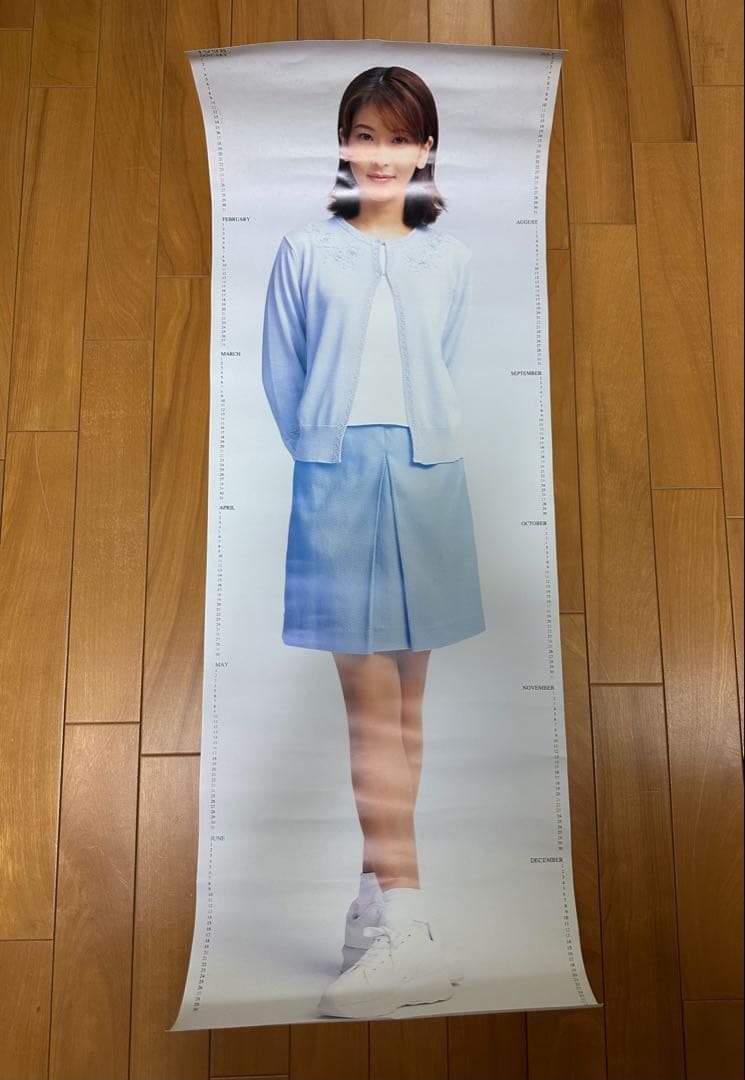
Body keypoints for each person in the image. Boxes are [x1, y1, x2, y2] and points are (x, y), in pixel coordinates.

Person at [261, 65, 485, 1019]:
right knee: (371, 712)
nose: (381, 154)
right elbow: (284, 377)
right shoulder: (303, 251)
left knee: (407, 713)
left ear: (426, 148)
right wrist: (327, 454)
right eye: (365, 134)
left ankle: (379, 910)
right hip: (339, 482)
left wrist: (415, 446)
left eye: (400, 137)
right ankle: (408, 915)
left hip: (430, 481)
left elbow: (445, 366)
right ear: (342, 143)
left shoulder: (451, 260)